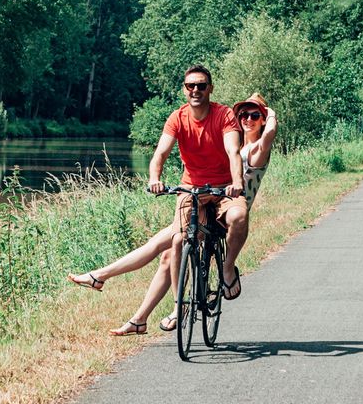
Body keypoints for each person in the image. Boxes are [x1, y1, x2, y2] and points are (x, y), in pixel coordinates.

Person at [68, 79, 277, 335]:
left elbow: (265, 138)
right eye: (243, 114)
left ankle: (106, 279)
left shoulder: (256, 149)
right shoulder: (232, 138)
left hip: (228, 206)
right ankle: (137, 316)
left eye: (255, 115)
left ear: (263, 120)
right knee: (165, 252)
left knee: (163, 245)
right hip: (206, 195)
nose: (247, 119)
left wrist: (271, 116)